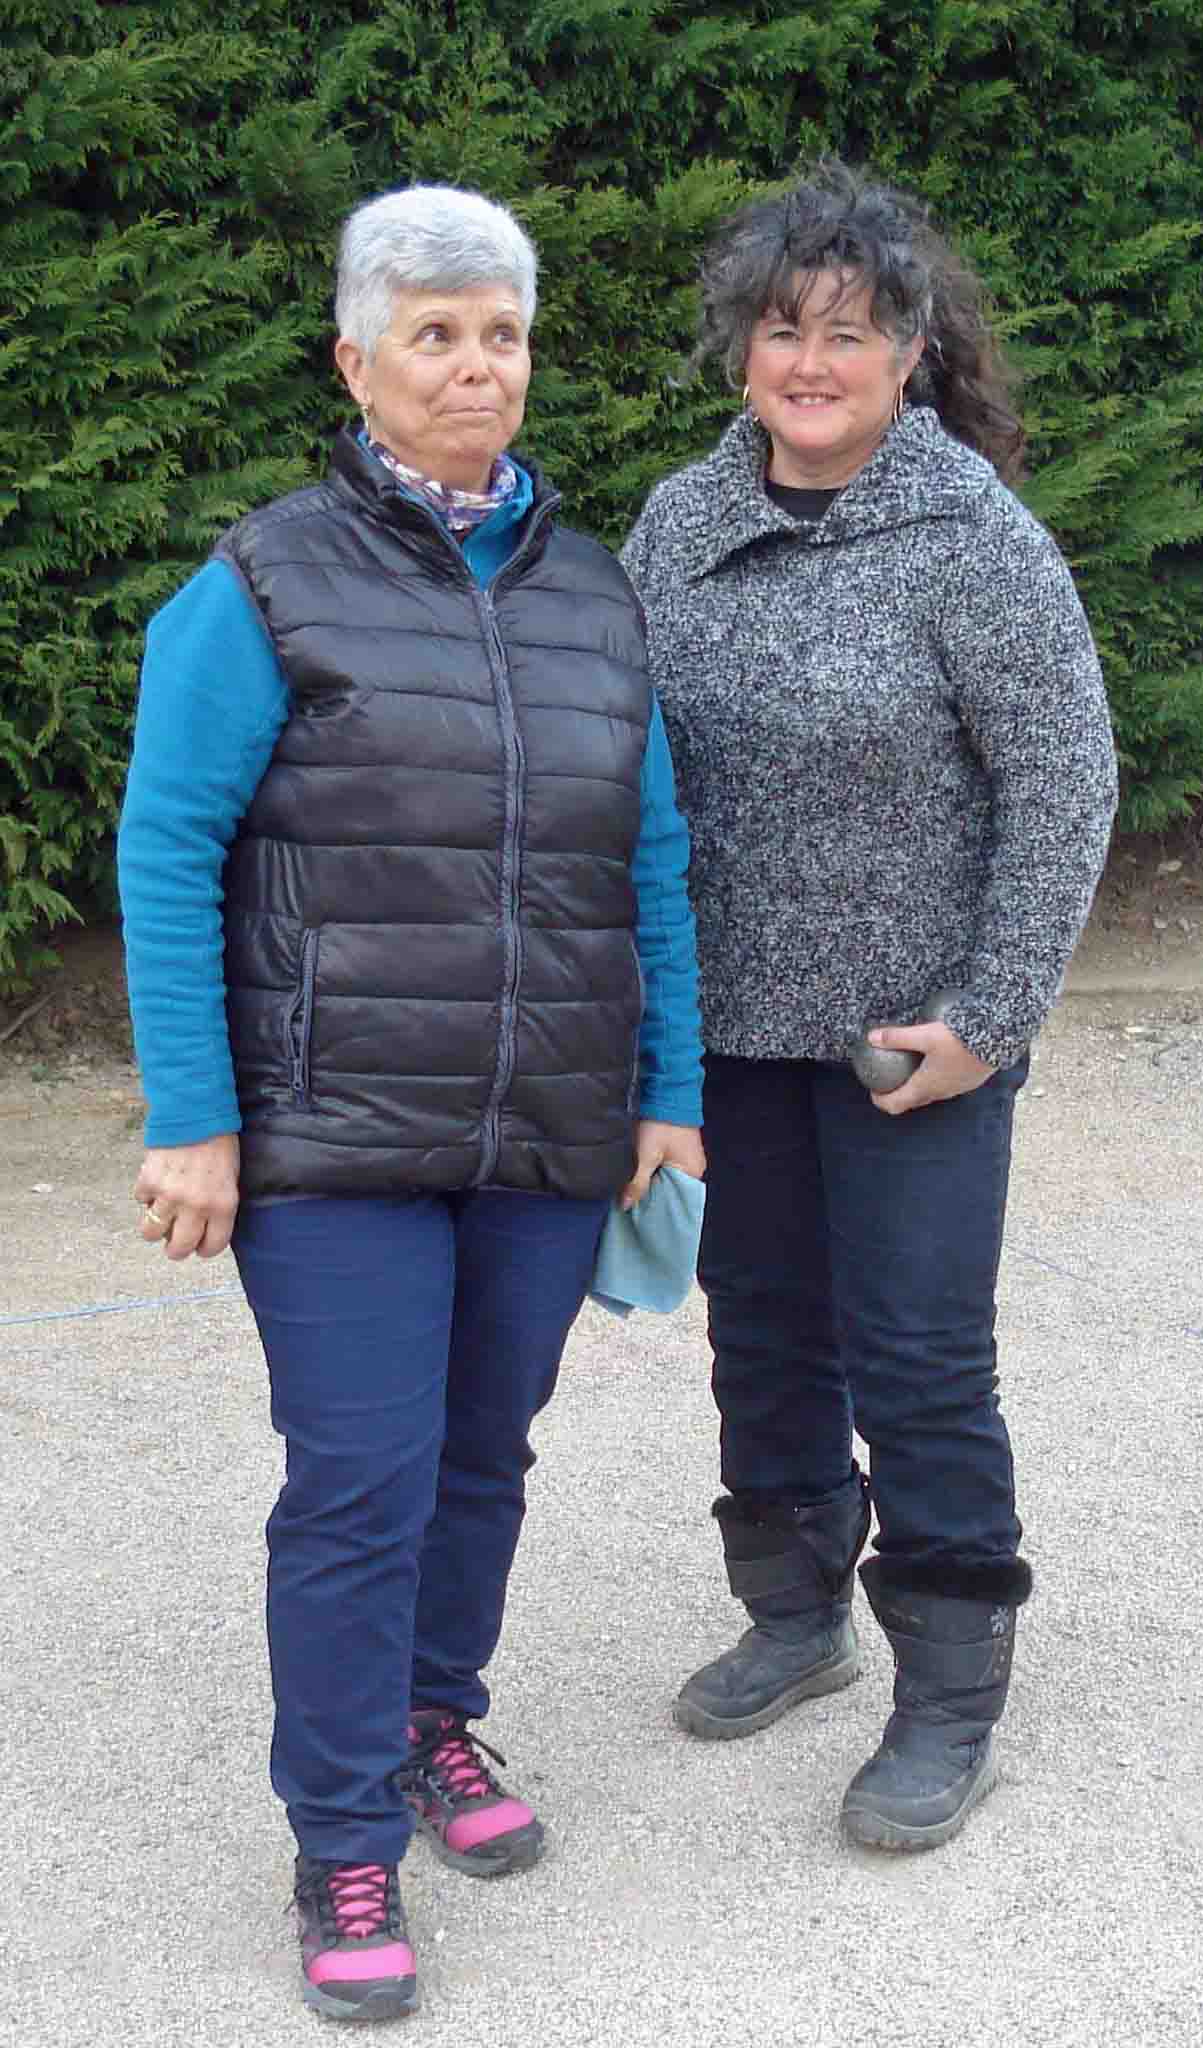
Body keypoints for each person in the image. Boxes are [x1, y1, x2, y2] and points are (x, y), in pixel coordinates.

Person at [117, 185, 706, 2020]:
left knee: (481, 1457)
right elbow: (167, 849)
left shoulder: (595, 592)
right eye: (433, 333)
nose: (473, 365)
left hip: (544, 1126)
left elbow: (650, 859)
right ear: (356, 360)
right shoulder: (260, 584)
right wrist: (194, 1117)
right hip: (333, 1134)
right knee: (361, 1480)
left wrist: (667, 1092)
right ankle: (342, 1833)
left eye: (500, 333)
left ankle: (434, 1716)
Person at [622, 161, 1117, 1854]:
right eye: (782, 331)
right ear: (741, 351)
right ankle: (793, 1614)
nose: (811, 363)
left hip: (917, 1046)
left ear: (911, 351)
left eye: (847, 333)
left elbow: (1064, 786)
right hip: (726, 1035)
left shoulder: (975, 539)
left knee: (917, 1359)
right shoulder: (678, 525)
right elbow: (629, 770)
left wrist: (990, 1016)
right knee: (762, 1340)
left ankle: (950, 1687)